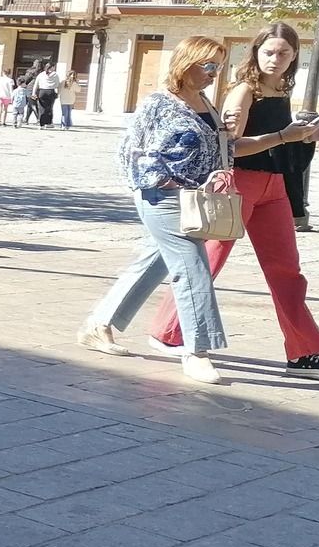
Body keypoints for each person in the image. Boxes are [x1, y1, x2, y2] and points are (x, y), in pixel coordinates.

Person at [149, 23, 319, 376]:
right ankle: (168, 332)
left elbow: (278, 141)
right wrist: (284, 135)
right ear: (256, 52)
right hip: (239, 184)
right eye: (269, 52)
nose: (275, 59)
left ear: (295, 55)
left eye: (284, 53)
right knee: (208, 261)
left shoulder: (280, 88)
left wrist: (307, 136)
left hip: (274, 187)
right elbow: (229, 146)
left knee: (286, 269)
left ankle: (304, 349)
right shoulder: (245, 90)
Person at [79, 36, 241, 385]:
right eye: (208, 65)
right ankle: (197, 351)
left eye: (218, 66)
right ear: (186, 63)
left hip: (194, 199)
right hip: (161, 197)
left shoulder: (206, 104)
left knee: (154, 263)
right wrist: (162, 181)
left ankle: (99, 324)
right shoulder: (158, 104)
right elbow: (131, 151)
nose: (214, 73)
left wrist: (267, 136)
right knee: (192, 267)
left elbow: (224, 150)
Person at [32, 62, 59, 129]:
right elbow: (57, 84)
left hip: (42, 91)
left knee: (42, 108)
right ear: (52, 67)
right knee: (49, 108)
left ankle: (42, 124)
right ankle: (48, 123)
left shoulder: (41, 74)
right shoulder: (55, 74)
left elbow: (36, 84)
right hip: (51, 91)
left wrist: (33, 93)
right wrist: (57, 93)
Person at [57, 64, 79, 129]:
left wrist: (58, 94)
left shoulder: (64, 82)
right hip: (68, 99)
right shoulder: (71, 83)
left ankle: (65, 125)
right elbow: (78, 90)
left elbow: (59, 90)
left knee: (66, 112)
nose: (72, 76)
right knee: (67, 112)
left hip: (66, 99)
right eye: (72, 75)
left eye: (73, 75)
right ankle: (65, 125)